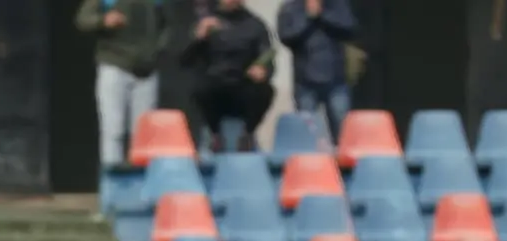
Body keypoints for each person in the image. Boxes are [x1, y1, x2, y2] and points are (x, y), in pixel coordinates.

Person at [76, 0, 165, 171]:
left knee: (143, 134)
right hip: (114, 65)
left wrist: (156, 50)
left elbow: (168, 24)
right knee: (113, 130)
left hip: (147, 69)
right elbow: (83, 19)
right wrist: (103, 20)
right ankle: (113, 186)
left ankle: (142, 186)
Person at [181, 0, 276, 152]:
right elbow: (184, 60)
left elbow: (268, 59)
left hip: (242, 85)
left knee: (266, 91)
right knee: (200, 88)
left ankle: (247, 134)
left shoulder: (255, 25)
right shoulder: (206, 22)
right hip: (215, 86)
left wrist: (263, 71)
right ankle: (215, 135)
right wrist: (198, 38)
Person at [276, 0, 356, 141]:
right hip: (305, 81)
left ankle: (343, 163)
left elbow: (350, 28)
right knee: (308, 132)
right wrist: (309, 17)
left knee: (343, 130)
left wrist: (322, 15)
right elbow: (286, 37)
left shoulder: (337, 4)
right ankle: (311, 162)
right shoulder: (290, 8)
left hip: (336, 79)